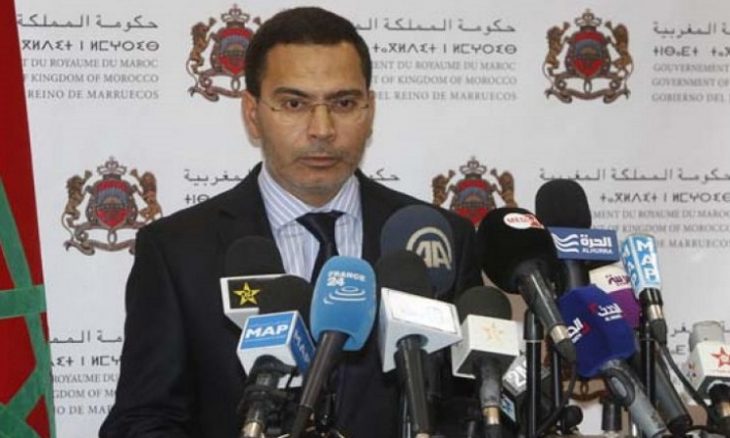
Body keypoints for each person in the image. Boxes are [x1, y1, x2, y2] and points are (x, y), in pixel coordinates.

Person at [100, 7, 481, 438]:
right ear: (252, 113)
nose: (322, 129)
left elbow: (470, 409)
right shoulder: (178, 251)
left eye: (343, 103)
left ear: (370, 110)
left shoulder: (438, 238)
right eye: (294, 104)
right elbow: (142, 421)